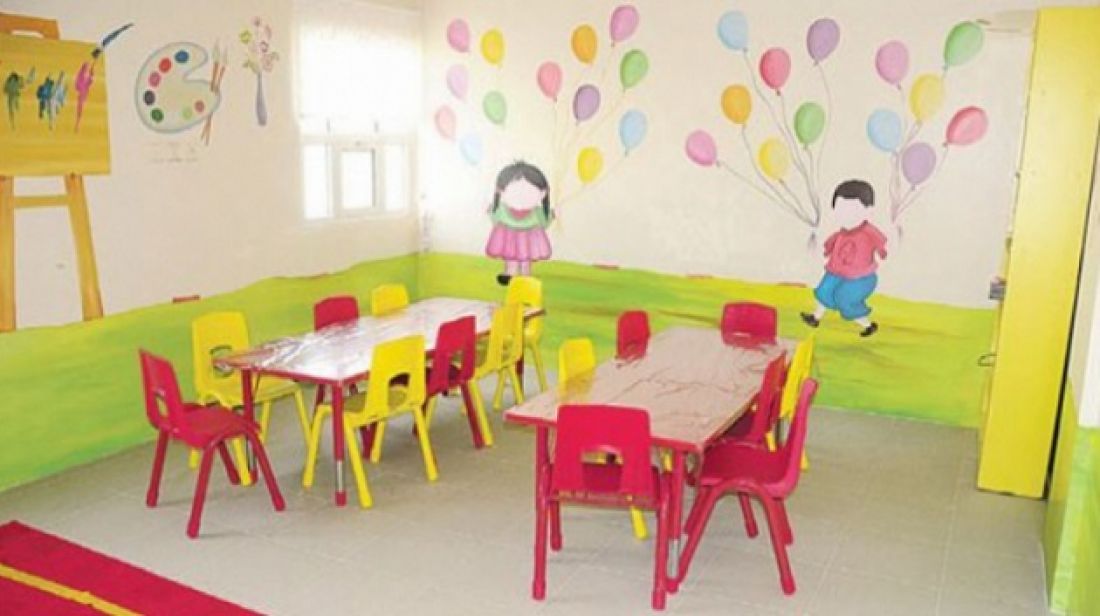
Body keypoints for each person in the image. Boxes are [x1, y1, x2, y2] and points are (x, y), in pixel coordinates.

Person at [801, 179, 887, 337]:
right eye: (840, 210)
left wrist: (882, 251)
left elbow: (881, 242)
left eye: (852, 211)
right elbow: (830, 244)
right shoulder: (840, 233)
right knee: (824, 290)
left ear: (868, 211)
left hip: (861, 278)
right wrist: (826, 250)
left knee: (844, 299)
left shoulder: (869, 231)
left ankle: (868, 325)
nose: (846, 216)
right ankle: (815, 317)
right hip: (836, 272)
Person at [485, 161, 553, 286]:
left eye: (529, 193)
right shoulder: (503, 209)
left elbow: (544, 223)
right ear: (501, 191)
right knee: (510, 256)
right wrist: (490, 212)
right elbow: (496, 219)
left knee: (525, 259)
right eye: (515, 192)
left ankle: (525, 275)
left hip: (529, 238)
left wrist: (551, 216)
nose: (522, 197)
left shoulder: (536, 212)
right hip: (508, 236)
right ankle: (510, 273)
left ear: (542, 193)